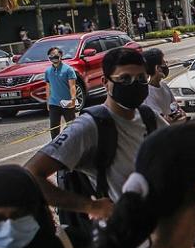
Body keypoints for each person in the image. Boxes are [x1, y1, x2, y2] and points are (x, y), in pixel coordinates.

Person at [26, 47, 164, 221]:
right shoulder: (90, 126)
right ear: (105, 82)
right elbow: (31, 174)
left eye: (141, 78)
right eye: (124, 79)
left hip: (160, 231)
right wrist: (89, 206)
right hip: (123, 237)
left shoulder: (149, 116)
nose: (134, 85)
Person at [143, 48, 186, 123]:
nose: (166, 65)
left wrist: (179, 114)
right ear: (157, 68)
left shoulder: (164, 86)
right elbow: (160, 120)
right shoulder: (148, 93)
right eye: (164, 63)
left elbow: (176, 108)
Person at [44, 45, 78, 140]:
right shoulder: (47, 71)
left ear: (61, 56)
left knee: (72, 126)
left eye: (55, 55)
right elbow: (48, 87)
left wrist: (73, 100)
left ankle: (74, 142)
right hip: (54, 103)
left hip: (67, 103)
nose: (53, 57)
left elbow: (72, 86)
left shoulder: (68, 69)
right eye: (51, 55)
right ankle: (55, 146)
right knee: (54, 127)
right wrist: (47, 101)